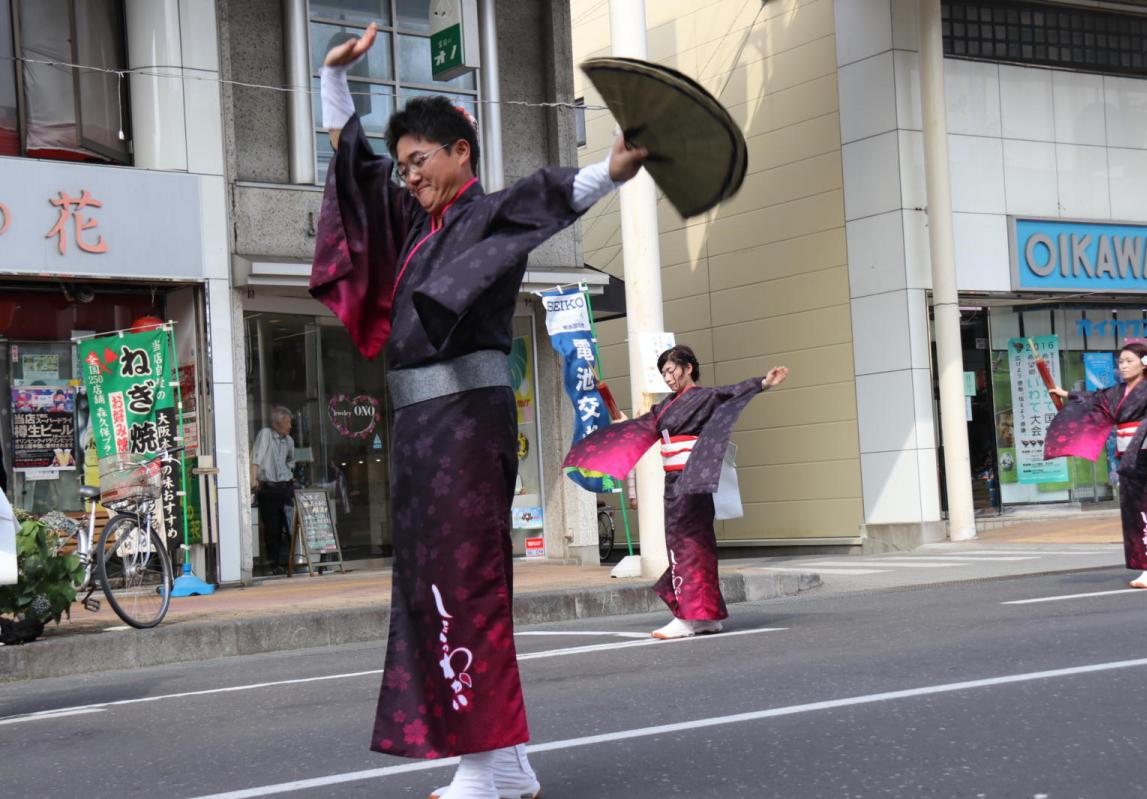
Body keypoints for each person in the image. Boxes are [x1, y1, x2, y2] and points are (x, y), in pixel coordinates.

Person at [310, 23, 648, 799]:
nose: (409, 177)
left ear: (461, 148)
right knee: (442, 587)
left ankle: (480, 764)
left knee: (464, 589)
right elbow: (354, 174)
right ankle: (509, 760)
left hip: (464, 424)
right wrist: (334, 83)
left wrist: (613, 169)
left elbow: (547, 199)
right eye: (404, 168)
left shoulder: (486, 213)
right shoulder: (414, 228)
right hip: (428, 434)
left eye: (420, 160)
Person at [565, 345, 788, 638]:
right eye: (663, 373)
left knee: (685, 545)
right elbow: (644, 425)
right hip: (674, 481)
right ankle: (707, 616)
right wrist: (621, 419)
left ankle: (687, 617)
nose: (668, 377)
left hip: (693, 478)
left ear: (688, 368)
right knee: (694, 546)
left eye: (671, 370)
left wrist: (762, 383)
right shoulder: (666, 406)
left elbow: (731, 391)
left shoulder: (704, 397)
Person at [1046, 342, 1147, 589]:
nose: (1123, 366)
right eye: (1121, 362)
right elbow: (1095, 398)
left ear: (1144, 362)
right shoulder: (1117, 392)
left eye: (1129, 361)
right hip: (1128, 456)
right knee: (1133, 511)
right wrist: (1066, 394)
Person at [251, 405, 296, 575]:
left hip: (285, 488)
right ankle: (274, 563)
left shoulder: (290, 440)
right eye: (287, 422)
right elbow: (256, 458)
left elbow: (291, 460)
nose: (290, 426)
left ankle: (291, 561)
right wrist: (254, 479)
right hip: (269, 488)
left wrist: (288, 472)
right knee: (272, 529)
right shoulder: (266, 435)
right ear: (278, 423)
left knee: (291, 525)